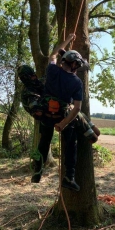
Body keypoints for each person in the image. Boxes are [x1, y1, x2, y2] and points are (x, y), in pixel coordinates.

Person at [31, 33, 94, 191]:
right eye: (77, 66)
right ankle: (69, 177)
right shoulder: (76, 82)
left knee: (44, 140)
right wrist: (63, 124)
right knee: (71, 144)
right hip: (62, 116)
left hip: (46, 112)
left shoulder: (52, 70)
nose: (78, 69)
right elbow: (78, 108)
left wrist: (68, 40)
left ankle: (37, 171)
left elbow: (53, 54)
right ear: (74, 65)